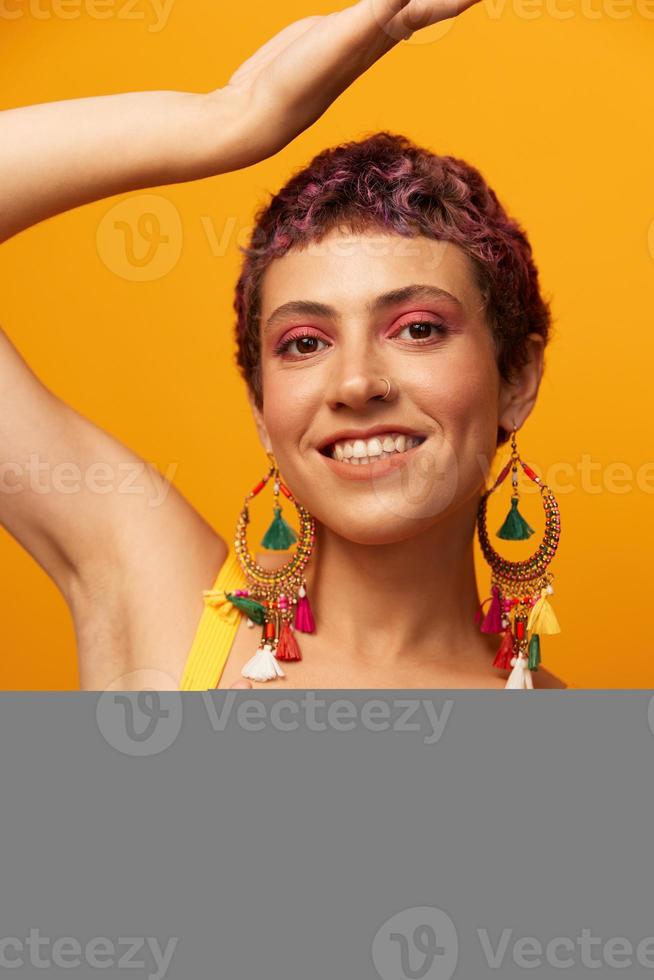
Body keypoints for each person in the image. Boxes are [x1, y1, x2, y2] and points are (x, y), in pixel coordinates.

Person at [0, 0, 568, 691]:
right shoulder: (158, 606)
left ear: (517, 377)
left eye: (418, 329)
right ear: (261, 408)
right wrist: (232, 116)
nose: (357, 384)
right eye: (304, 343)